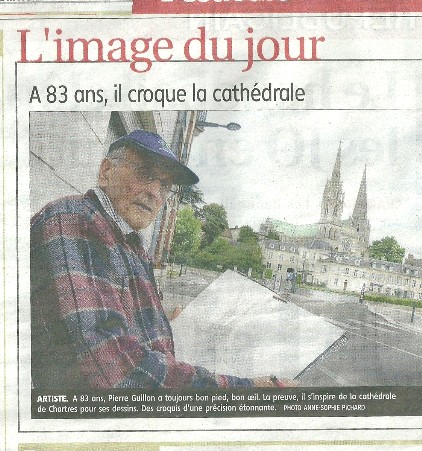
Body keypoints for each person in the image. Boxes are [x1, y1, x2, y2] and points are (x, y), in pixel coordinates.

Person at [31, 130, 295, 389]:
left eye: (165, 185)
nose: (155, 193)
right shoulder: (75, 220)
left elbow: (103, 310)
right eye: (145, 174)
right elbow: (112, 368)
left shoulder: (126, 238)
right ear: (106, 172)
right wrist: (245, 389)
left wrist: (162, 322)